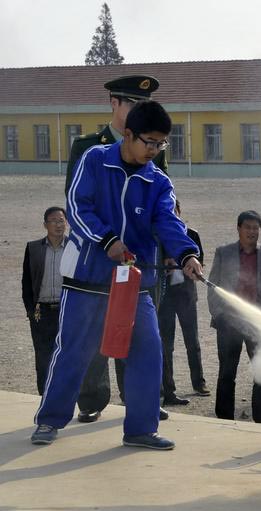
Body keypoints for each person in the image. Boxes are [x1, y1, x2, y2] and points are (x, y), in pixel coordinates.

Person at [31, 100, 202, 449]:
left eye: (161, 144)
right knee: (74, 350)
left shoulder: (158, 181)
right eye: (149, 142)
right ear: (128, 134)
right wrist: (106, 239)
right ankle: (49, 420)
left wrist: (186, 253)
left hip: (133, 283)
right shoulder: (94, 159)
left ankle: (140, 428)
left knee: (148, 349)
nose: (154, 151)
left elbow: (168, 221)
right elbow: (78, 206)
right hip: (87, 279)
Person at [68, 75, 166, 425]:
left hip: (135, 258)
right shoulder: (89, 147)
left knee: (139, 331)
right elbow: (77, 202)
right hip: (98, 254)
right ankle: (92, 398)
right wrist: (106, 239)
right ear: (114, 104)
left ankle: (138, 400)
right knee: (94, 330)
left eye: (144, 105)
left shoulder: (152, 145)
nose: (139, 110)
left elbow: (158, 202)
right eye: (132, 104)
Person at [208, 210, 261, 424]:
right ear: (239, 228)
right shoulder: (224, 252)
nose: (252, 231)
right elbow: (213, 286)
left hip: (257, 324)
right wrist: (220, 314)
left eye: (256, 228)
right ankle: (223, 420)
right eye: (248, 227)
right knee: (226, 373)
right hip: (229, 323)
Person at [159, 199, 207, 406]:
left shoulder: (192, 234)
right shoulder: (158, 235)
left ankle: (199, 383)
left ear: (179, 211)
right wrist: (164, 265)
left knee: (192, 342)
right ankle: (167, 388)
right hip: (164, 297)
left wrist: (183, 264)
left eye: (174, 210)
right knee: (165, 344)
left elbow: (200, 261)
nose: (172, 214)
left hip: (186, 295)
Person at [22, 207, 68, 394]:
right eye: (54, 221)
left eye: (62, 220)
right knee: (43, 357)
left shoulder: (74, 247)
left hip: (68, 310)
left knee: (67, 355)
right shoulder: (33, 249)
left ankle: (66, 396)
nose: (58, 224)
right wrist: (31, 311)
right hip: (43, 312)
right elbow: (26, 282)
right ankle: (44, 396)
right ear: (45, 225)